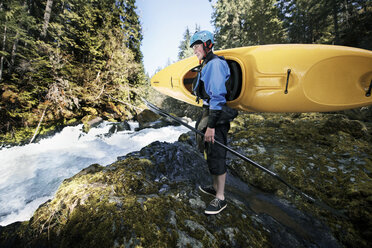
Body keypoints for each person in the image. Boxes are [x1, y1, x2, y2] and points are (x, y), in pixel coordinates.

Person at [190, 30, 237, 215]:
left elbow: (217, 97)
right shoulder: (207, 64)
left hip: (216, 114)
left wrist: (211, 126)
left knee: (217, 152)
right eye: (193, 47)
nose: (195, 50)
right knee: (209, 150)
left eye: (197, 46)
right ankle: (215, 188)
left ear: (208, 44)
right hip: (210, 112)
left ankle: (221, 198)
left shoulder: (215, 64)